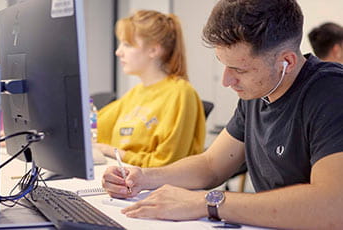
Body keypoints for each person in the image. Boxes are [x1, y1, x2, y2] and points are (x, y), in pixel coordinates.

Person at [102, 0, 343, 229]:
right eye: (223, 64)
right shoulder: (259, 92)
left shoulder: (331, 92)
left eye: (239, 69)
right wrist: (145, 177)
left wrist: (207, 202)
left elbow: (332, 207)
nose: (227, 80)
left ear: (286, 63)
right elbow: (210, 166)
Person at [94, 10, 206, 168]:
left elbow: (166, 164)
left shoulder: (180, 93)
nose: (118, 52)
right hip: (129, 179)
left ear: (153, 50)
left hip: (157, 186)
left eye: (127, 44)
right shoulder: (135, 93)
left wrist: (111, 151)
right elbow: (94, 127)